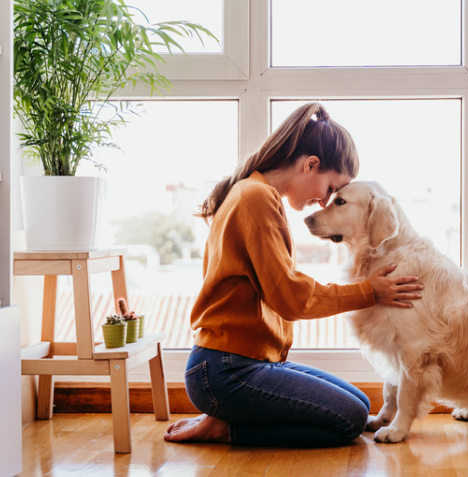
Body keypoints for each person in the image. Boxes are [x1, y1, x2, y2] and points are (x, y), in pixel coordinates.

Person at [164, 102, 423, 447]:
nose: (324, 202)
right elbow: (291, 298)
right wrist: (369, 291)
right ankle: (226, 427)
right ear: (310, 164)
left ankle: (227, 415)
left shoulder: (254, 191)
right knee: (349, 420)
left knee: (361, 405)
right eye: (331, 189)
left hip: (242, 364)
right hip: (226, 370)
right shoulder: (256, 199)